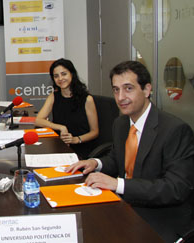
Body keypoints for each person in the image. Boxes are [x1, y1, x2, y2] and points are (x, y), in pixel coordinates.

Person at [66, 61, 194, 241]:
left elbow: (175, 188)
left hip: (161, 216)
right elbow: (119, 158)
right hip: (125, 205)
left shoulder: (175, 130)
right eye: (116, 90)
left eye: (128, 88)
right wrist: (96, 163)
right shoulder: (121, 123)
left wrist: (118, 184)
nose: (120, 97)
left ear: (147, 89)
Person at [34, 58, 99, 159]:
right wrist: (61, 127)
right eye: (56, 76)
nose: (60, 78)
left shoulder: (87, 99)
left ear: (72, 74)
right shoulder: (54, 96)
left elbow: (94, 132)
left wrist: (76, 139)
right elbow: (37, 120)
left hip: (80, 148)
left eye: (64, 74)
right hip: (60, 146)